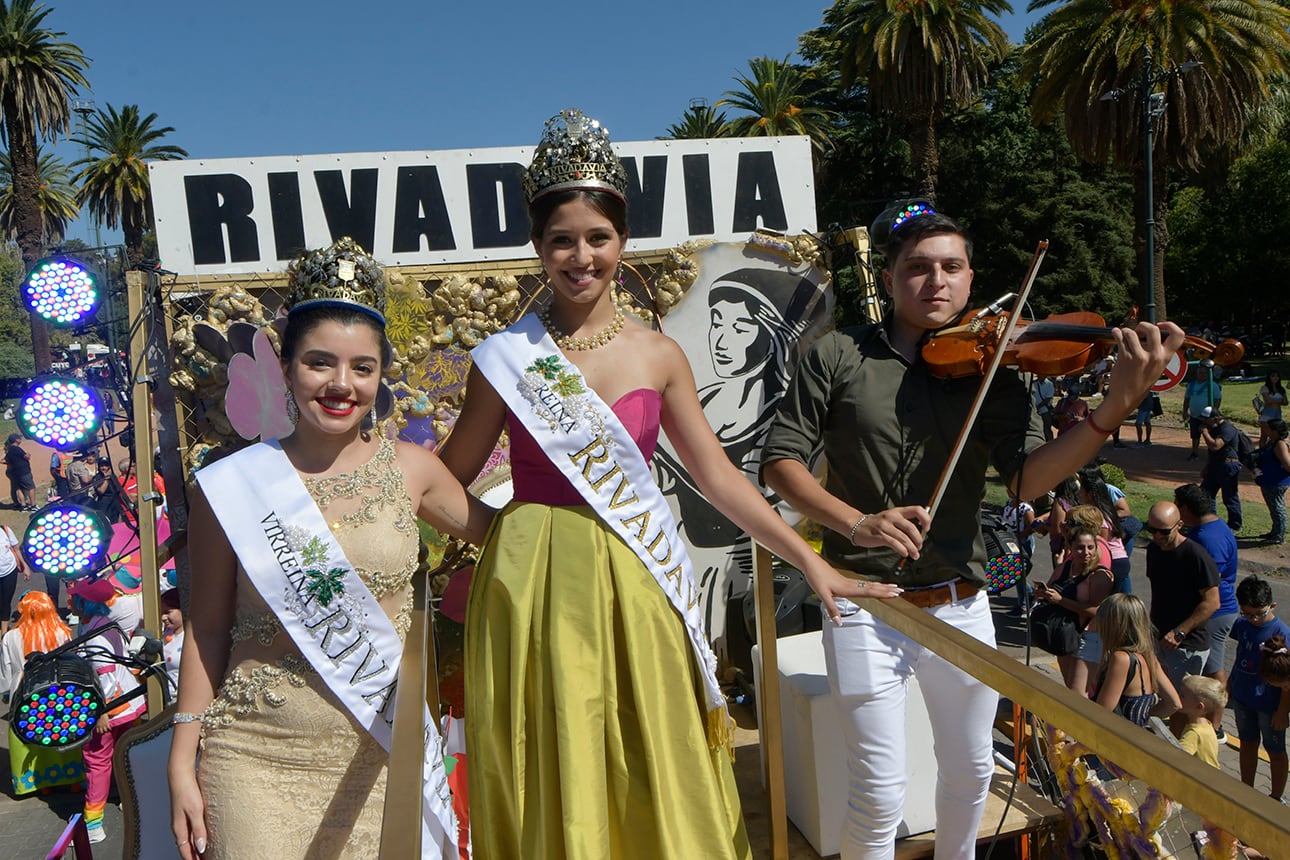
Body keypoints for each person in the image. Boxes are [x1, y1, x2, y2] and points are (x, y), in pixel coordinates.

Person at [439, 108, 876, 860]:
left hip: (637, 577)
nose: (581, 256)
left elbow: (720, 479)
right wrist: (504, 533)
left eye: (597, 238)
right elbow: (443, 478)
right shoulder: (503, 359)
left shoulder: (658, 353)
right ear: (538, 249)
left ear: (623, 240)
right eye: (562, 241)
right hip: (534, 589)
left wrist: (812, 557)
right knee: (557, 746)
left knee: (652, 740)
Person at [761, 201, 1183, 858]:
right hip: (867, 604)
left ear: (970, 276)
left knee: (973, 772)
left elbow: (1026, 482)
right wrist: (859, 521)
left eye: (951, 267)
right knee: (877, 790)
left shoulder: (997, 371)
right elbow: (781, 460)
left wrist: (1114, 407)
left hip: (962, 600)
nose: (937, 282)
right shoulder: (839, 353)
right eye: (918, 268)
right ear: (891, 277)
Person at [168, 238, 494, 860]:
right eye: (321, 363)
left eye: (362, 367)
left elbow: (512, 539)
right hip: (253, 760)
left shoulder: (414, 470)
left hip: (384, 761)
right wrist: (184, 757)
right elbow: (206, 629)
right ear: (287, 367)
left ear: (380, 374)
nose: (342, 384)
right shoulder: (230, 485)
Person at [69, 574, 146, 843]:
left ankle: (93, 822)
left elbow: (105, 676)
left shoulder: (95, 635)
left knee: (97, 761)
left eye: (75, 594)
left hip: (111, 710)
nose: (69, 597)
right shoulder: (104, 624)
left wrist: (101, 711)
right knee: (128, 755)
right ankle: (133, 800)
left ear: (85, 602)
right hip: (129, 704)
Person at [0, 590, 85, 795]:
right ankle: (72, 777)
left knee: (27, 735)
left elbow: (6, 669)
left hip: (23, 690)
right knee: (64, 729)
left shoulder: (11, 636)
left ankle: (38, 782)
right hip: (58, 689)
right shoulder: (61, 632)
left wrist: (5, 691)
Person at [1174, 482, 1238, 741]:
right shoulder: (1213, 528)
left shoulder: (1207, 539)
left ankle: (1216, 725)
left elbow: (1213, 577)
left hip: (1215, 612)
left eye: (1178, 507)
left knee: (1213, 670)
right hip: (1217, 610)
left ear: (1186, 508)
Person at [1144, 501, 1220, 694]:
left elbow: (1212, 602)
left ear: (1179, 525)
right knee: (1153, 692)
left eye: (1164, 531)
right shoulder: (1153, 550)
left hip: (1186, 645)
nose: (1157, 536)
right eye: (1152, 530)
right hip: (1159, 638)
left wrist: (1179, 632)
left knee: (1179, 704)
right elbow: (1157, 592)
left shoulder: (1196, 556)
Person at [1227, 576, 1290, 803]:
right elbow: (1241, 654)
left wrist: (1283, 711)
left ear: (1272, 606)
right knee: (1247, 742)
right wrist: (1230, 682)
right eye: (1247, 613)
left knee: (1275, 750)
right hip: (1244, 698)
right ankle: (1246, 790)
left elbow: (1287, 681)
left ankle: (1275, 797)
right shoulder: (1242, 625)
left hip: (1270, 706)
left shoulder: (1283, 633)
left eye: (1259, 613)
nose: (1253, 618)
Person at [1033, 525, 1114, 696]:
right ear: (1070, 547)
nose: (1086, 552)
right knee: (1071, 687)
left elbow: (1099, 612)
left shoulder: (1099, 576)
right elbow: (1051, 587)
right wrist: (1042, 594)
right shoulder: (1065, 567)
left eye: (1090, 547)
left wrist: (1061, 601)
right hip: (1064, 635)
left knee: (1078, 693)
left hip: (1088, 637)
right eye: (1080, 547)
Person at [1092, 593, 1179, 727]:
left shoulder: (1121, 659)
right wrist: (1143, 715)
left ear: (1112, 624)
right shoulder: (1148, 656)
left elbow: (1102, 712)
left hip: (1118, 739)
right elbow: (1174, 704)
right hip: (1136, 736)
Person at [1199, 406, 1244, 532]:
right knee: (1206, 494)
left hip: (1228, 466)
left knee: (1229, 497)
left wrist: (1205, 432)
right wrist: (1207, 467)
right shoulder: (1214, 428)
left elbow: (1215, 446)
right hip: (1215, 465)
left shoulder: (1227, 429)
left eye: (1206, 419)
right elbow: (1211, 452)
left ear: (1216, 418)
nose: (1203, 422)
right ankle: (1210, 521)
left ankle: (1235, 525)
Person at [1177, 674, 1226, 767]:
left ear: (1199, 707)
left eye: (1182, 696)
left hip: (1199, 778)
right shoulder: (1207, 725)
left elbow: (1178, 757)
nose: (1178, 696)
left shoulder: (1194, 733)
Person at [1255, 418, 1290, 545]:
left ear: (1275, 431)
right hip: (1270, 480)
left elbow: (1287, 464)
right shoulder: (1273, 441)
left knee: (1278, 508)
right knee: (1273, 507)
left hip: (1277, 482)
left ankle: (1279, 535)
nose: (1265, 430)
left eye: (1268, 428)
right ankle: (1274, 532)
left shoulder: (1280, 444)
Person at [1183, 360, 1222, 460]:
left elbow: (1218, 399)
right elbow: (1187, 398)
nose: (1202, 375)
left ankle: (1213, 453)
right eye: (1200, 372)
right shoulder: (1191, 385)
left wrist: (1214, 412)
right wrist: (1185, 411)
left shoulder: (1212, 385)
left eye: (1204, 373)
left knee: (1211, 435)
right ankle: (1194, 453)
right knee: (1195, 435)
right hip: (1195, 415)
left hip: (1208, 417)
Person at [0, 522, 27, 635]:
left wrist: (25, 566)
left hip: (9, 571)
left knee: (5, 601)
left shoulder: (5, 530)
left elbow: (16, 549)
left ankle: (4, 631)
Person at [4, 433, 36, 511]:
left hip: (15, 472)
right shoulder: (16, 448)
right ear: (16, 440)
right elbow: (26, 457)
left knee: (18, 488)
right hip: (23, 472)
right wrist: (28, 454)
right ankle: (33, 506)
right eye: (19, 438)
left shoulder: (9, 450)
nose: (20, 439)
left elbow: (6, 460)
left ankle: (23, 505)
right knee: (31, 488)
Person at [160, 587, 183, 692]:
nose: (163, 617)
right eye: (161, 613)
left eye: (168, 612)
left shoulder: (191, 637)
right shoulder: (165, 632)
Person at [1255, 370, 1286, 448]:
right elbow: (1268, 401)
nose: (1275, 378)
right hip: (1267, 413)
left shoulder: (1281, 389)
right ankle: (1261, 452)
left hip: (1277, 413)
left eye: (1277, 376)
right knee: (1265, 435)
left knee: (1276, 435)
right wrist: (1279, 401)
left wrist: (1274, 401)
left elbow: (1285, 402)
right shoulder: (1265, 388)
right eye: (1273, 376)